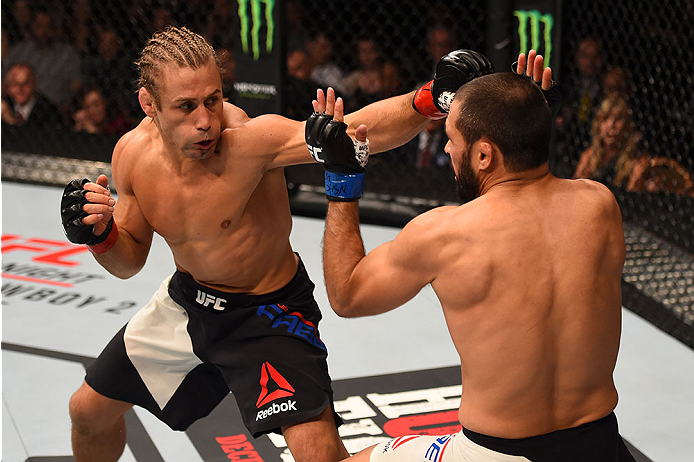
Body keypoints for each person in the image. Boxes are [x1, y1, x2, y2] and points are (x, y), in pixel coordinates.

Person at [59, 26, 493, 462]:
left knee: (318, 457)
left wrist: (429, 98)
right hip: (189, 302)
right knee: (87, 411)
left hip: (267, 314)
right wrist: (100, 235)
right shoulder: (130, 156)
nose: (206, 120)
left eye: (213, 99)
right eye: (186, 107)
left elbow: (362, 132)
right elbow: (129, 260)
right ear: (148, 105)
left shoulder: (248, 141)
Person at [311, 50, 636, 461]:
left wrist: (343, 178)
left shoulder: (445, 233)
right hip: (600, 446)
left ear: (485, 155)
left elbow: (346, 295)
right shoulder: (601, 206)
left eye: (453, 138)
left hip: (495, 454)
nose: (447, 148)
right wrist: (527, 118)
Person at [573, 96, 645, 191]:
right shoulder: (589, 156)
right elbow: (575, 191)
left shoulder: (635, 161)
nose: (611, 125)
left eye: (618, 119)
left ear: (627, 125)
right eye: (605, 118)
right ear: (598, 124)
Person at [1, 62, 63, 128]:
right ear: (8, 87)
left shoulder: (49, 111)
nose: (20, 89)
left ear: (33, 85)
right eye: (15, 84)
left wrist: (10, 121)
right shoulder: (5, 105)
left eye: (25, 83)